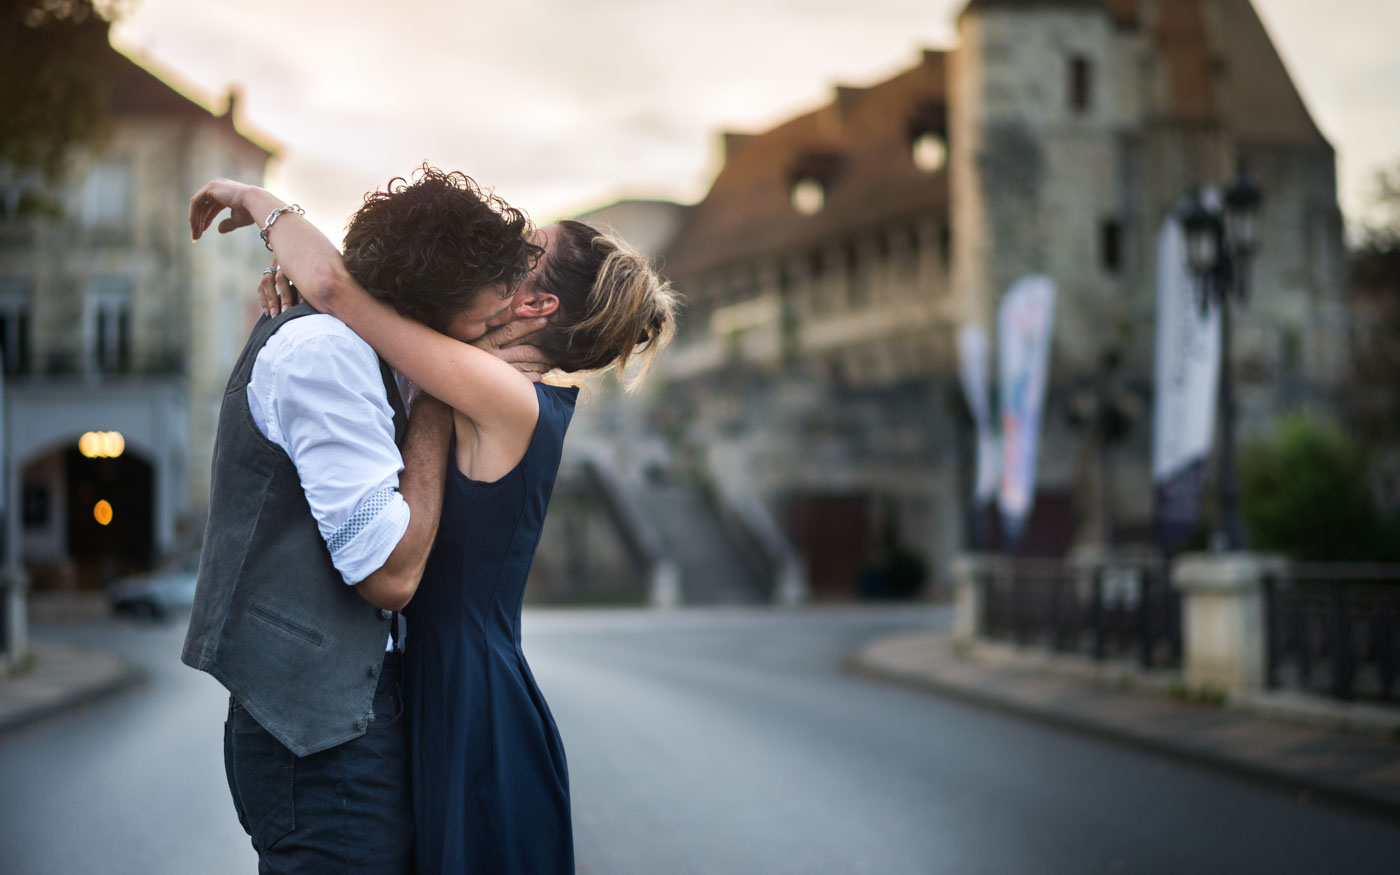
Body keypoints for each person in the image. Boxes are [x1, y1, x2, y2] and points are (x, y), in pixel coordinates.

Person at [190, 171, 678, 874]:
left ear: (537, 303)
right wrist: (291, 283)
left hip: (470, 692)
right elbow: (374, 313)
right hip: (440, 679)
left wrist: (261, 203)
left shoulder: (504, 396)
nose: (505, 250)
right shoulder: (479, 380)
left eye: (524, 252)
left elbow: (342, 294)